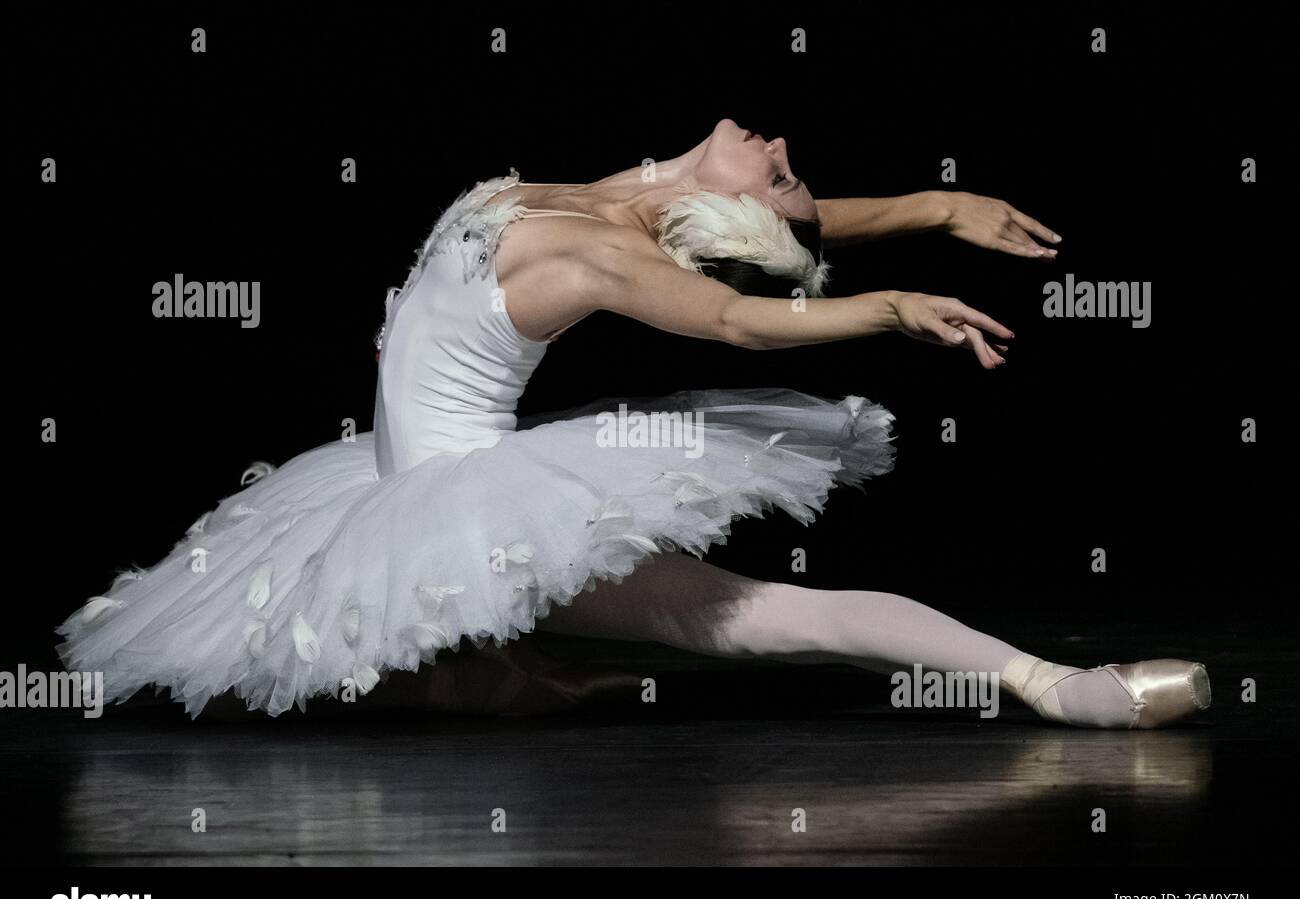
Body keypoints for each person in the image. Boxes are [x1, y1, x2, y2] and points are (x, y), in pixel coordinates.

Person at [57, 119, 1210, 729]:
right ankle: (501, 680)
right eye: (790, 168)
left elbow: (737, 317)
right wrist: (933, 207)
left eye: (782, 173)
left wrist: (883, 308)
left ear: (729, 203)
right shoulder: (617, 201)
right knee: (381, 654)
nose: (782, 149)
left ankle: (1053, 685)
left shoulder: (603, 251)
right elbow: (760, 227)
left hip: (468, 499)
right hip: (392, 486)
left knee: (752, 620)